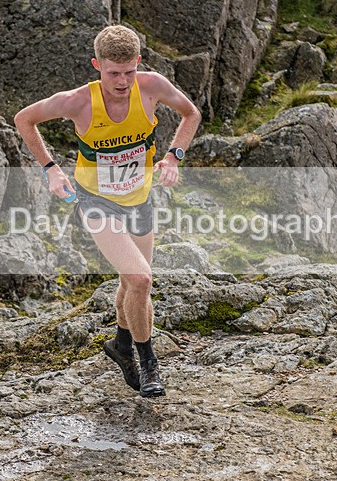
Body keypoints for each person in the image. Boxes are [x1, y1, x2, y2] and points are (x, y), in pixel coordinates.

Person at [13, 25, 201, 397]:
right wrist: (51, 169)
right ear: (97, 65)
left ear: (138, 64)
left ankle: (119, 343)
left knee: (131, 284)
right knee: (142, 279)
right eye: (114, 72)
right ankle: (148, 364)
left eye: (129, 71)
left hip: (139, 198)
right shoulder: (78, 101)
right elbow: (24, 119)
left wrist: (174, 156)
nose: (122, 81)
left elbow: (190, 114)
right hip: (96, 202)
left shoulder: (152, 86)